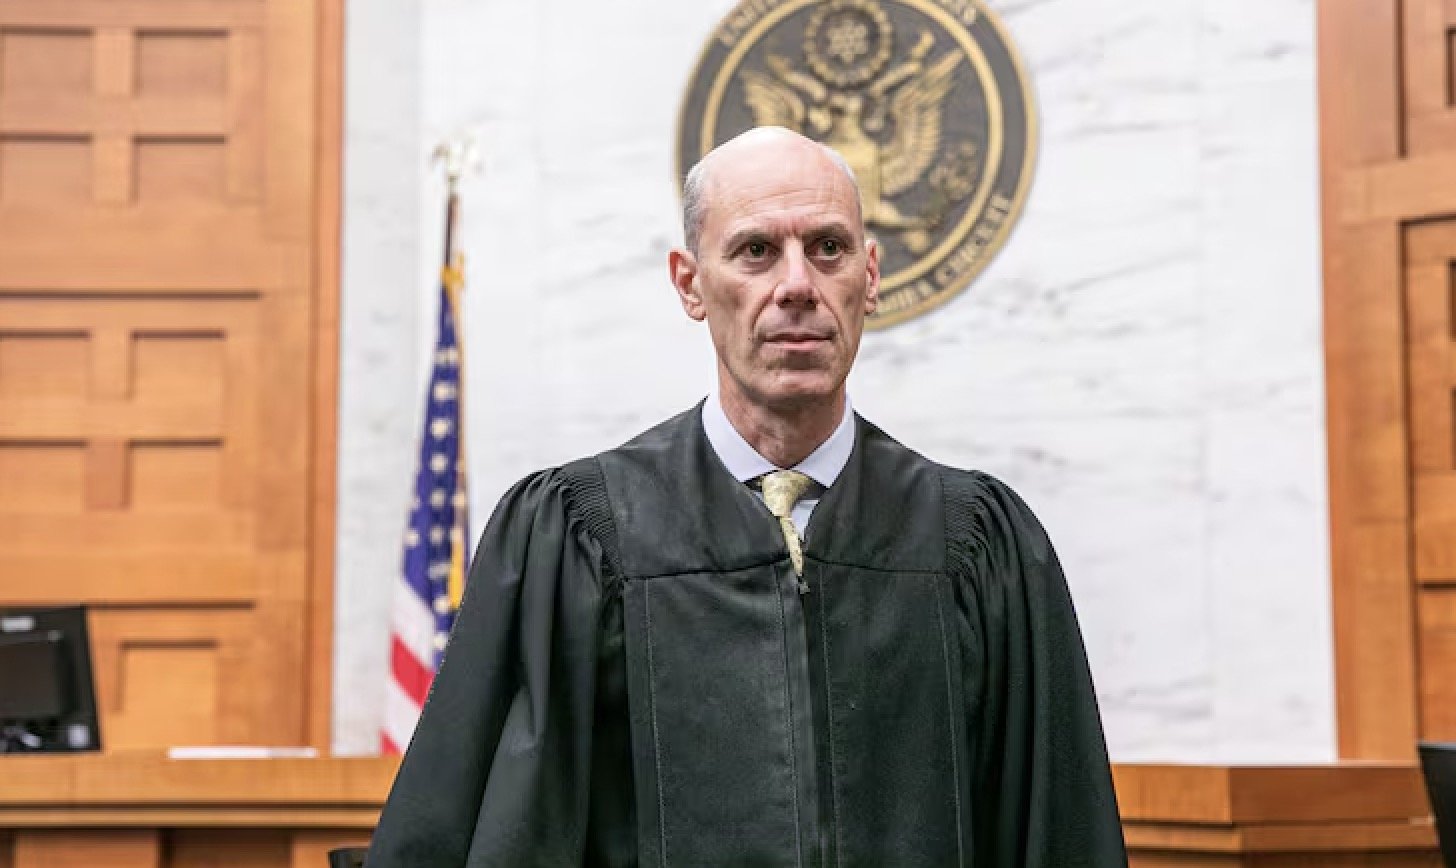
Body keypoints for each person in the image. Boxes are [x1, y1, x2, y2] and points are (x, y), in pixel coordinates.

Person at [366, 126, 1127, 867]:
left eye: (827, 248)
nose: (797, 285)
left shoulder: (974, 547)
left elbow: (1058, 833)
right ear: (690, 284)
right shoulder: (580, 537)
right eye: (756, 251)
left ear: (870, 275)